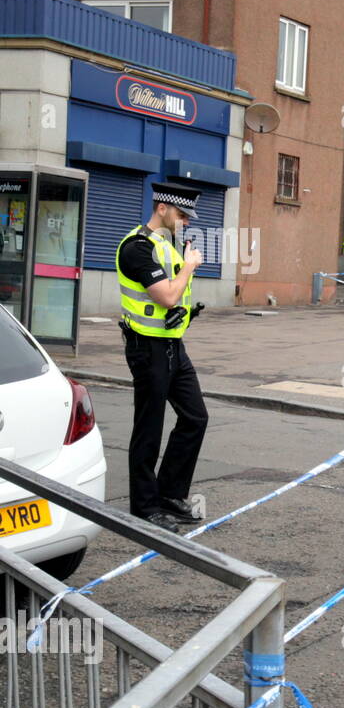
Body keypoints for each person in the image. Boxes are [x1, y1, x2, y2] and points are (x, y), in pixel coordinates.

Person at [115, 183, 210, 533]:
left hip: (172, 346)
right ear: (162, 209)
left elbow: (168, 302)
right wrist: (189, 267)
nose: (185, 221)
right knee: (149, 428)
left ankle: (170, 494)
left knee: (195, 417)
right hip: (147, 349)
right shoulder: (136, 247)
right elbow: (168, 296)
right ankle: (144, 506)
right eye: (182, 215)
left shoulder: (164, 246)